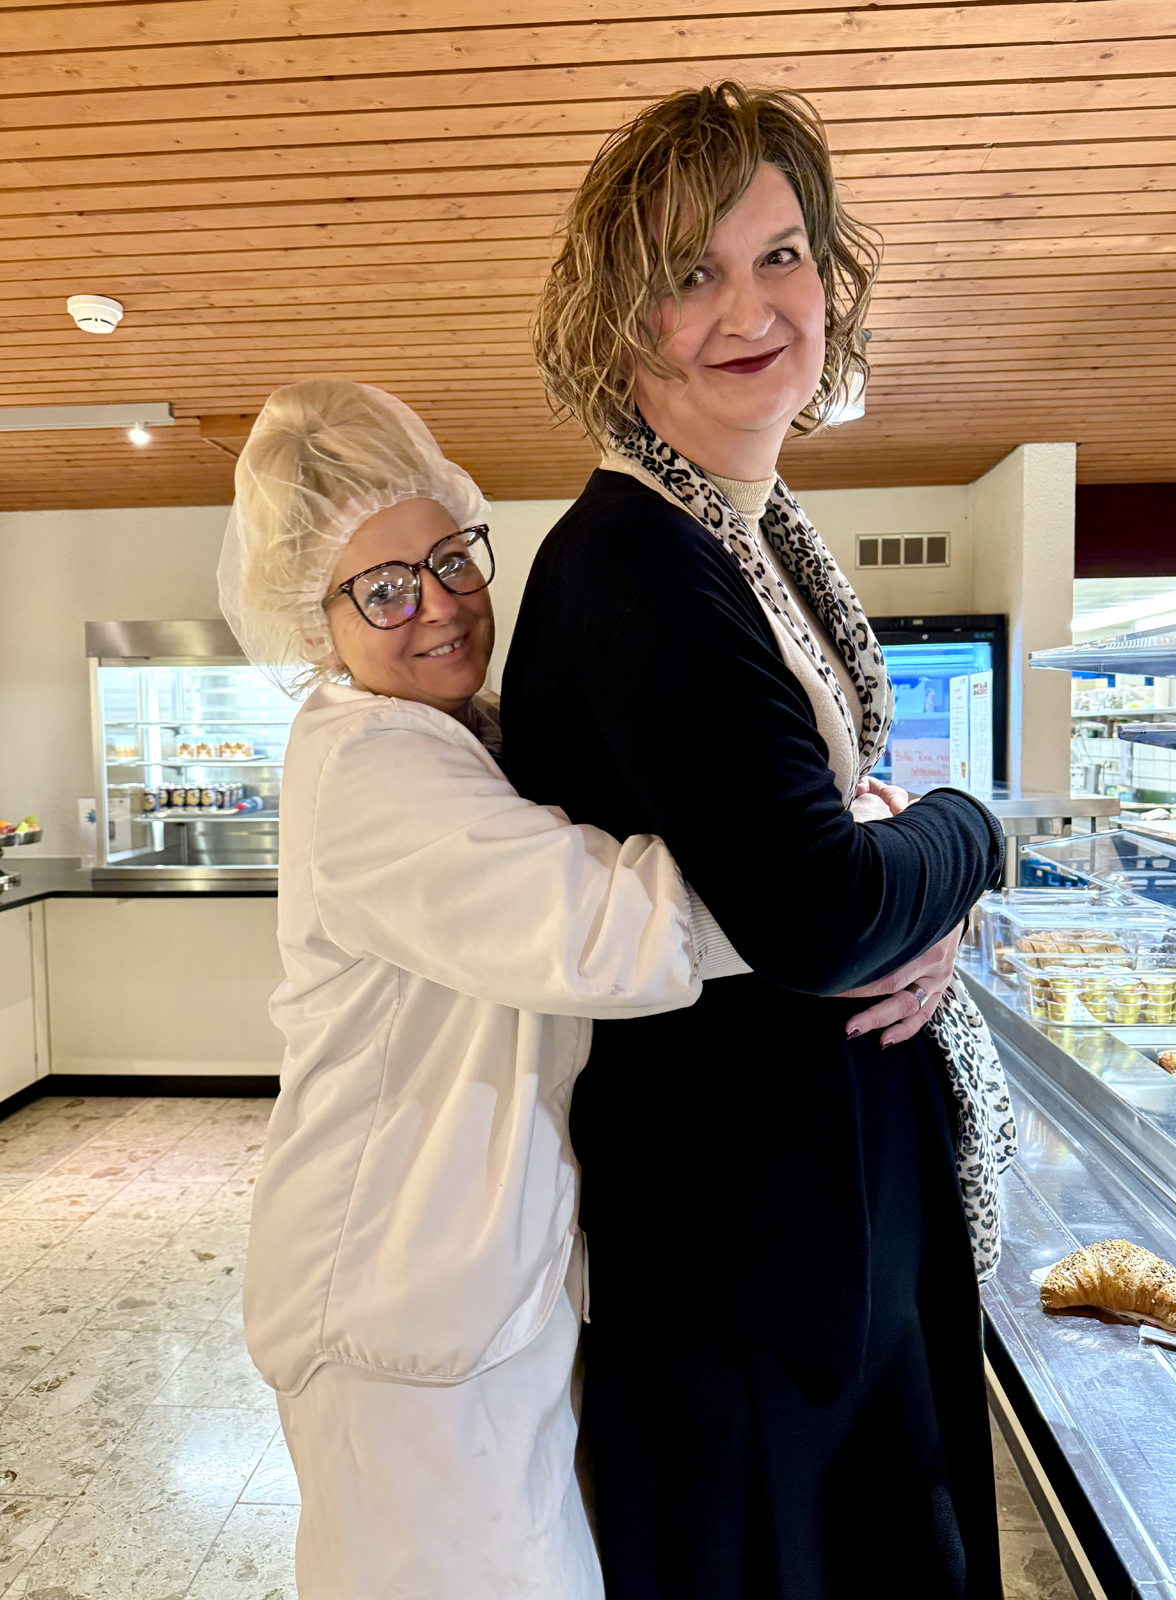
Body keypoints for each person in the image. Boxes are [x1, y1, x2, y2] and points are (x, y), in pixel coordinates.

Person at [502, 83, 1014, 1599]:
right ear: (620, 321)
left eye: (781, 256)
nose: (751, 307)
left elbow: (831, 852)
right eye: (691, 272)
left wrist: (910, 887)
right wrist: (971, 834)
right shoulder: (639, 564)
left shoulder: (738, 527)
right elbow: (815, 904)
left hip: (807, 1216)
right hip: (749, 1249)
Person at [216, 377, 749, 1599]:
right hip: (399, 1316)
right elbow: (615, 928)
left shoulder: (467, 733)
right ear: (315, 621)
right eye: (384, 588)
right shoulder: (369, 765)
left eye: (451, 558)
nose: (442, 606)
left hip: (469, 1292)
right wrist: (850, 872)